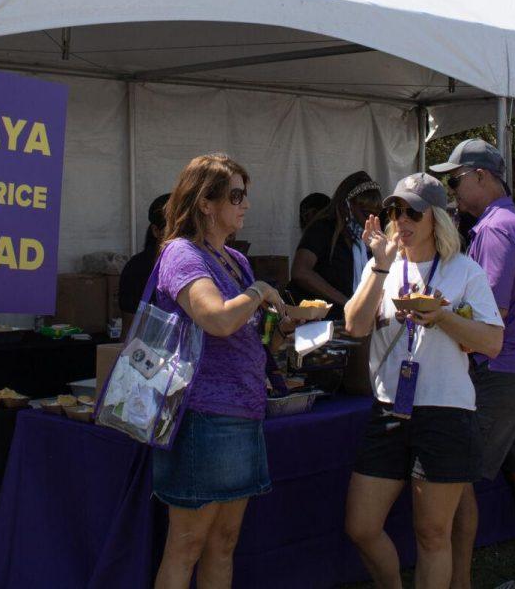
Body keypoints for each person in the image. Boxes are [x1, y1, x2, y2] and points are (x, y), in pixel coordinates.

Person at [343, 173, 504, 589]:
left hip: (445, 411)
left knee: (432, 533)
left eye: (412, 211)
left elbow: (493, 342)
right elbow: (355, 326)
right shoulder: (383, 265)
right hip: (390, 409)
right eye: (394, 210)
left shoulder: (464, 270)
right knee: (361, 525)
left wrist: (444, 317)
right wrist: (378, 264)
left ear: (436, 218)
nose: (401, 219)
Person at [150, 153, 294, 589]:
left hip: (242, 412)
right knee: (187, 545)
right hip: (202, 415)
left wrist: (278, 329)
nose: (244, 204)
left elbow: (244, 326)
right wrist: (259, 291)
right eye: (235, 195)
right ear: (206, 203)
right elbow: (217, 318)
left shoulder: (234, 258)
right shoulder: (181, 254)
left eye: (244, 195)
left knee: (224, 541)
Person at [432, 139, 515, 589]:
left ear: (482, 176)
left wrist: (437, 312)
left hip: (500, 374)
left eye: (456, 179)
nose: (452, 189)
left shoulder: (496, 230)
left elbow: (490, 314)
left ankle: (459, 579)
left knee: (458, 479)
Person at [291, 172, 382, 314]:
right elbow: (300, 271)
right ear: (347, 206)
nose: (369, 220)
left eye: (375, 214)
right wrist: (347, 302)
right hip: (321, 323)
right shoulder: (323, 229)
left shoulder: (367, 240)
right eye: (365, 213)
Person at [117, 193, 171, 337]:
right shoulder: (137, 269)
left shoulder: (200, 265)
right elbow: (129, 330)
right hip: (152, 355)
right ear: (156, 231)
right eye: (176, 227)